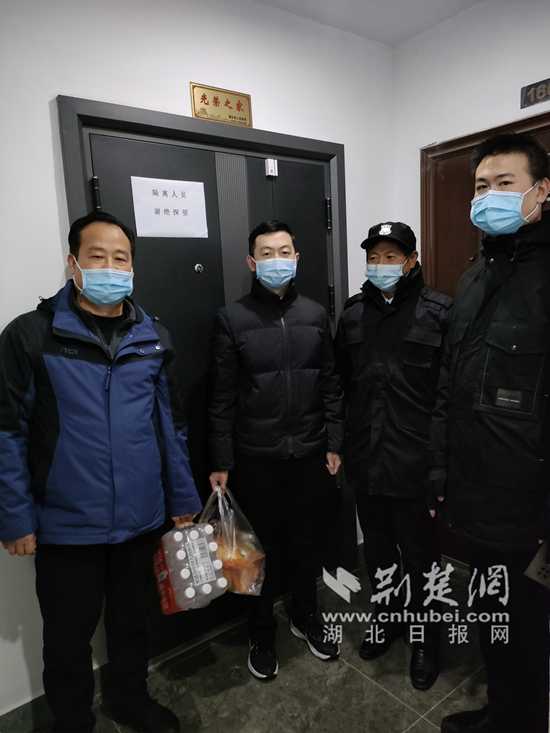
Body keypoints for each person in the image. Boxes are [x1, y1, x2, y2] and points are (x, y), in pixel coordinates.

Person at [0, 211, 202, 733]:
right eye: (97, 256)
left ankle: (129, 699)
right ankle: (71, 721)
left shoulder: (153, 338)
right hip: (66, 525)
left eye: (121, 259)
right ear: (73, 263)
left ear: (132, 268)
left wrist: (183, 499)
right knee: (67, 638)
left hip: (140, 518)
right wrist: (15, 518)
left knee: (132, 622)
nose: (110, 267)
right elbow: (7, 432)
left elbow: (172, 427)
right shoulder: (31, 336)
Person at [434, 133, 550, 733]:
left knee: (527, 631)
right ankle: (505, 714)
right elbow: (451, 389)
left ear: (542, 190)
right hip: (474, 495)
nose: (489, 196)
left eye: (505, 183)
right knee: (493, 617)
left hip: (529, 508)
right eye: (481, 186)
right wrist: (441, 476)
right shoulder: (474, 277)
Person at [207, 220, 344, 680]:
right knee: (257, 550)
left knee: (306, 544)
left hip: (309, 452)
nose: (276, 260)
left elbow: (331, 383)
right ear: (252, 262)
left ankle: (306, 617)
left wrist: (334, 442)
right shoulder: (232, 318)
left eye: (284, 251)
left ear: (297, 258)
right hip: (256, 457)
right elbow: (221, 397)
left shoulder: (316, 315)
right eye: (266, 253)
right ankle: (261, 632)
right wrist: (221, 460)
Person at [335, 222, 452, 691]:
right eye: (374, 256)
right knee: (380, 553)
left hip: (415, 464)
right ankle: (387, 618)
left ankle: (426, 639)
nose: (381, 264)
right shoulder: (352, 314)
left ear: (412, 260)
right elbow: (341, 384)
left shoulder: (439, 312)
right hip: (367, 460)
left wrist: (440, 466)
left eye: (391, 256)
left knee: (422, 559)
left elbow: (447, 398)